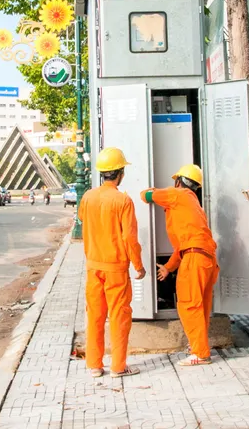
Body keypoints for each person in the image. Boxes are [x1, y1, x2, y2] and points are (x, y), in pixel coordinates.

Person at [141, 164, 219, 366]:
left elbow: (146, 196)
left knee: (188, 304)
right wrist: (169, 267)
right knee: (200, 306)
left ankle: (201, 353)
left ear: (179, 182)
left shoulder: (179, 195)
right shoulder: (194, 204)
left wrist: (148, 191)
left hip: (194, 259)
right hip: (205, 258)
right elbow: (183, 246)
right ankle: (198, 346)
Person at [79, 147, 146, 379]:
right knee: (119, 316)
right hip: (116, 268)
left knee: (95, 316)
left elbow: (82, 219)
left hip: (93, 266)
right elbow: (129, 238)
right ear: (119, 173)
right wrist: (138, 265)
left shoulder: (88, 197)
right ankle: (118, 367)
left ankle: (94, 366)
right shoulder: (123, 200)